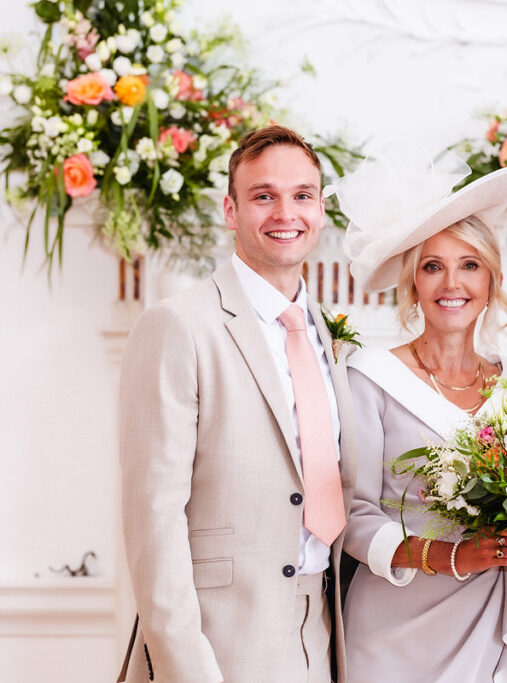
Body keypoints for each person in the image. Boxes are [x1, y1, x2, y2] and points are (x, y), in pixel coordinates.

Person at [118, 125, 358, 682]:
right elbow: (153, 521)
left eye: (302, 195)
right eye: (263, 196)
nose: (285, 213)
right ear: (231, 210)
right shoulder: (177, 326)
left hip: (320, 635)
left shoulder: (324, 334)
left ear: (320, 210)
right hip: (220, 645)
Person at [334, 145, 507, 683]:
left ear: (490, 280)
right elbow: (352, 515)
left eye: (469, 266)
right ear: (413, 283)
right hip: (391, 625)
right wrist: (451, 557)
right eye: (433, 267)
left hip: (488, 615)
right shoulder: (370, 376)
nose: (452, 284)